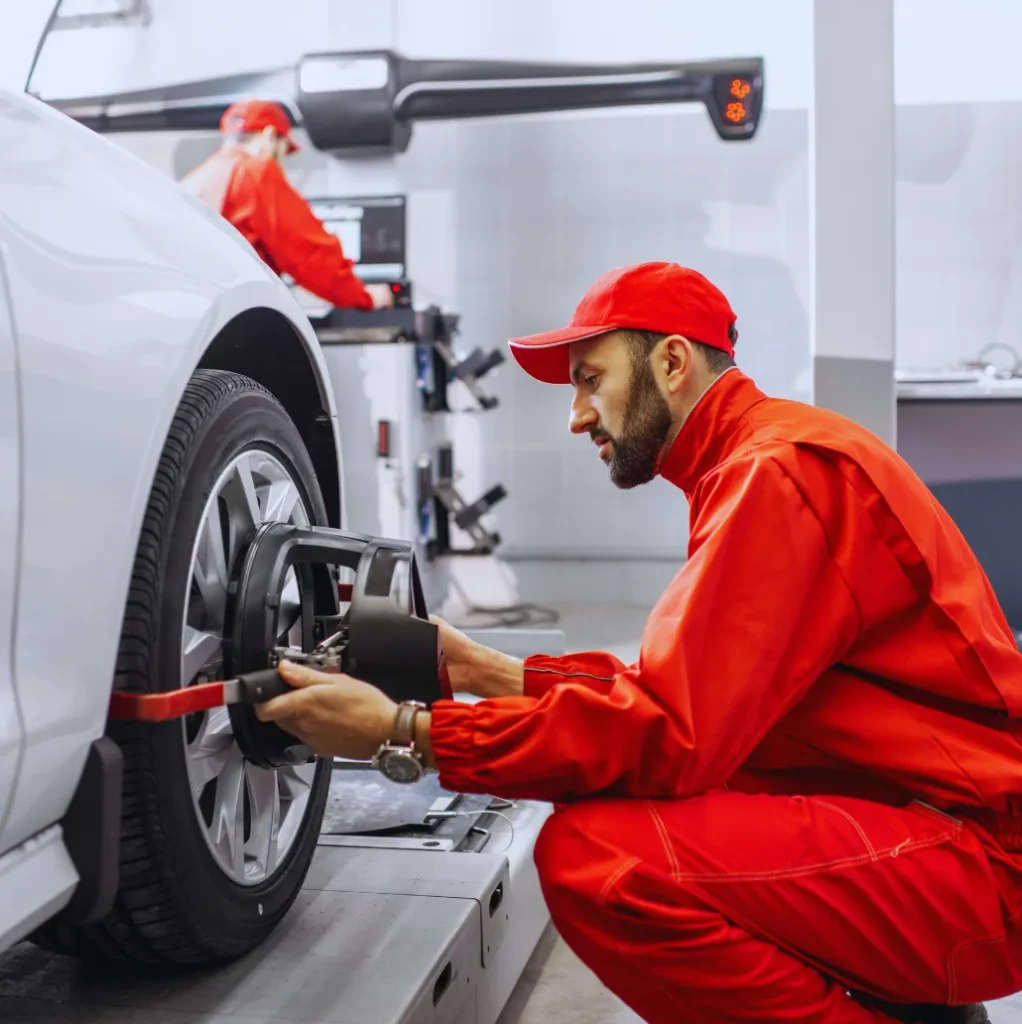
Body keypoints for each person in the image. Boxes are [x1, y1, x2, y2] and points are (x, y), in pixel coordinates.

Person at [256, 261, 1022, 1024]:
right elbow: (689, 698)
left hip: (985, 862)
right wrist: (484, 668)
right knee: (654, 797)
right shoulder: (762, 455)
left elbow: (667, 732)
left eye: (591, 379)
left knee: (597, 859)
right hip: (939, 817)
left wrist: (404, 735)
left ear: (673, 362)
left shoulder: (775, 475)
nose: (577, 416)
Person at [180, 99, 392, 311]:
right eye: (282, 150)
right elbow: (309, 253)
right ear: (270, 135)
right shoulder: (255, 172)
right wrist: (364, 296)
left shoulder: (193, 181)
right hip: (241, 314)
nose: (280, 161)